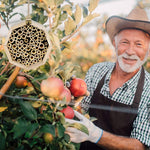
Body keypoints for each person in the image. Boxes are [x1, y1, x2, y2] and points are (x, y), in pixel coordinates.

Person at [65, 6, 150, 150]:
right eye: (124, 42)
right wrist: (68, 96)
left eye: (138, 44)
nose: (130, 51)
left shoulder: (148, 90)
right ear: (114, 44)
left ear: (148, 49)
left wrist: (96, 135)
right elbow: (79, 109)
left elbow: (139, 146)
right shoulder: (97, 71)